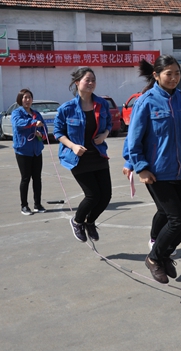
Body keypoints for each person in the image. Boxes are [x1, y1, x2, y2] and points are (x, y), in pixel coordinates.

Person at [125, 55, 181, 284]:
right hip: (157, 173)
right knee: (176, 219)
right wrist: (140, 167)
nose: (174, 78)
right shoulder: (145, 101)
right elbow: (134, 138)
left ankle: (164, 253)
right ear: (156, 75)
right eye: (169, 73)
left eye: (177, 73)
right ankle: (154, 258)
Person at [54, 67, 113, 243]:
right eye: (87, 80)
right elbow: (58, 132)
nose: (91, 83)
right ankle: (77, 221)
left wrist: (104, 135)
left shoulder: (102, 104)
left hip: (98, 155)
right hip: (78, 158)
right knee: (93, 195)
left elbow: (109, 123)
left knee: (106, 196)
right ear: (77, 82)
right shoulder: (67, 108)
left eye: (93, 80)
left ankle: (90, 222)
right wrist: (72, 146)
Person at [11, 88, 46, 216]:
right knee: (26, 178)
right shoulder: (16, 113)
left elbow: (44, 129)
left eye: (29, 97)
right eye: (25, 97)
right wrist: (32, 123)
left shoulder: (37, 114)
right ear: (20, 99)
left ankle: (38, 204)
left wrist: (40, 134)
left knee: (37, 178)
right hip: (23, 151)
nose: (27, 100)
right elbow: (18, 124)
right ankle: (24, 206)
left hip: (37, 151)